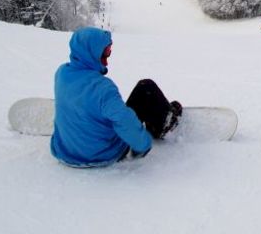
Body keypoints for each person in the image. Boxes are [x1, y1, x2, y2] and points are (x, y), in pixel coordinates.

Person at [50, 26, 183, 168]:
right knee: (145, 88)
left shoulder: (62, 74)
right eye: (104, 55)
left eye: (109, 54)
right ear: (90, 54)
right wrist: (143, 145)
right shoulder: (102, 88)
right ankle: (165, 123)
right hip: (102, 154)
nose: (106, 62)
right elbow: (124, 120)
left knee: (107, 109)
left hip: (66, 153)